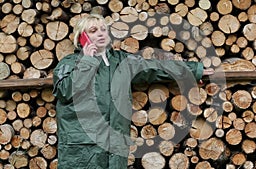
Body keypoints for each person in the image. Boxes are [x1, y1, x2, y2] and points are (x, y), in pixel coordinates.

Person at [52, 13, 214, 169]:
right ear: (81, 37)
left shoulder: (120, 61)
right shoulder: (70, 63)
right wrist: (87, 61)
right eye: (93, 31)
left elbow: (156, 68)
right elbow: (65, 92)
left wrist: (193, 70)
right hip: (81, 149)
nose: (100, 33)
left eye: (103, 29)